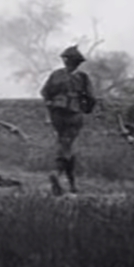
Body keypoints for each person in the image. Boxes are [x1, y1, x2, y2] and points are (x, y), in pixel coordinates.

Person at [40, 45, 97, 196]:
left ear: (65, 61)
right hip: (74, 113)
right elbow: (91, 98)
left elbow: (45, 92)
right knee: (66, 143)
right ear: (78, 62)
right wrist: (87, 109)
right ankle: (57, 174)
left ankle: (71, 183)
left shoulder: (56, 74)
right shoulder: (83, 77)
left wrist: (51, 103)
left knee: (65, 144)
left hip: (57, 114)